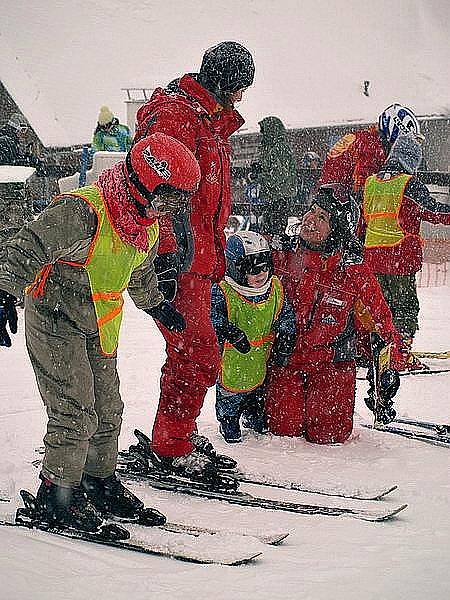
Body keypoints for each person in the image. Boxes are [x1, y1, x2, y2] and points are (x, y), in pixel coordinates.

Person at [0, 133, 201, 532]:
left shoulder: (145, 226)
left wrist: (156, 303)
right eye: (169, 198)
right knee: (74, 412)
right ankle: (58, 493)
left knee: (108, 410)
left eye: (180, 201)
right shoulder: (83, 212)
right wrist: (4, 289)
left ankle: (97, 481)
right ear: (146, 183)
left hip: (99, 323)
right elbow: (29, 244)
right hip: (56, 318)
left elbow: (139, 270)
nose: (171, 209)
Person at [130, 41, 255, 484]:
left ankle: (176, 431)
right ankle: (170, 445)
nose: (240, 98)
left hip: (199, 260)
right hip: (178, 261)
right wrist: (165, 255)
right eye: (238, 87)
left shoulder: (204, 121)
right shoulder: (177, 116)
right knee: (197, 351)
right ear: (221, 80)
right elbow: (158, 187)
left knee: (192, 352)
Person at [264, 184, 408, 444]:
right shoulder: (281, 255)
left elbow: (380, 322)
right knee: (282, 434)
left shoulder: (352, 271)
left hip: (332, 367)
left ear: (337, 231)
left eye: (322, 218)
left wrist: (388, 370)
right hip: (286, 362)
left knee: (330, 438)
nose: (310, 219)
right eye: (311, 211)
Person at [362, 134, 450, 370]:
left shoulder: (370, 183)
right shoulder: (408, 183)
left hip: (372, 257)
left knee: (380, 308)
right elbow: (434, 212)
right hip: (398, 257)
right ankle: (400, 355)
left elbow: (362, 222)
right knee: (405, 308)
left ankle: (379, 354)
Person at [211, 231, 296, 443]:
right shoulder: (224, 292)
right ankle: (228, 420)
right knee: (230, 397)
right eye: (252, 269)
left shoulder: (274, 288)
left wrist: (286, 334)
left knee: (256, 395)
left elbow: (285, 313)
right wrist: (229, 331)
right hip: (233, 362)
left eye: (264, 267)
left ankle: (253, 415)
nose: (261, 274)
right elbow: (212, 318)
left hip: (259, 361)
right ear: (236, 268)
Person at [318, 103, 421, 204]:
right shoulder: (373, 149)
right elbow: (363, 191)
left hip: (327, 198)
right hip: (337, 204)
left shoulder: (365, 139)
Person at [254, 116, 298, 237]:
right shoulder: (272, 147)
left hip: (278, 198)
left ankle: (276, 254)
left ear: (271, 131)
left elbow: (279, 175)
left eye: (263, 130)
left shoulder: (279, 148)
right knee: (271, 232)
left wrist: (260, 176)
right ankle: (274, 253)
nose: (261, 133)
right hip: (274, 197)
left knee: (274, 234)